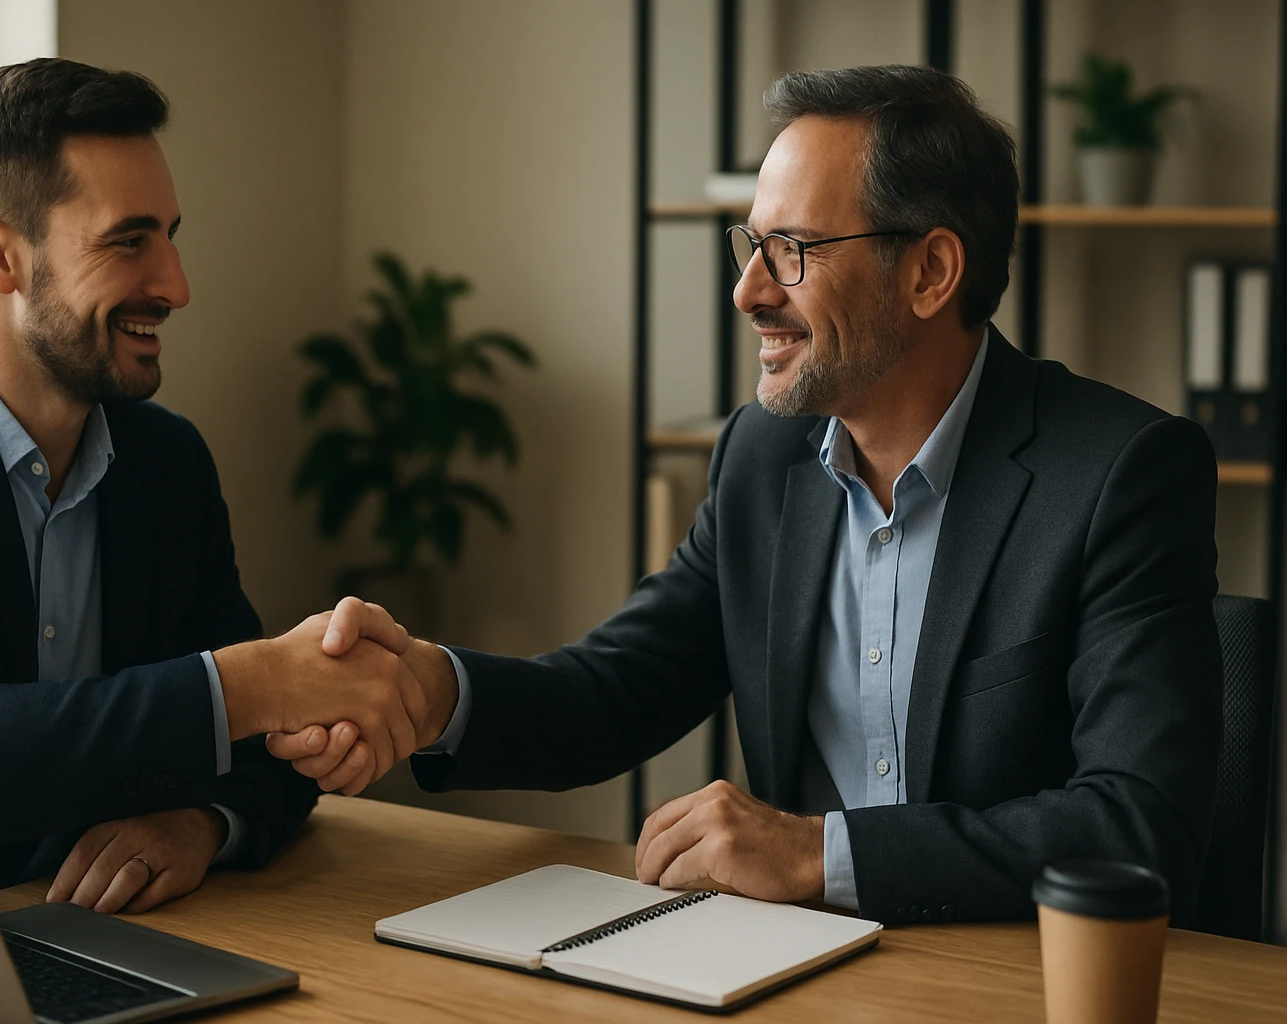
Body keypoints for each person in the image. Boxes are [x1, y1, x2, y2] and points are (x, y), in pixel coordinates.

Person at [270, 64, 1224, 925]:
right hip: (788, 971)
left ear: (932, 271)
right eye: (750, 246)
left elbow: (1138, 824)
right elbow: (618, 690)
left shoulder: (1120, 473)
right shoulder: (763, 457)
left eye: (794, 250)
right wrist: (437, 692)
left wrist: (819, 853)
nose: (749, 293)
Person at [0, 58, 429, 948]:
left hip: (90, 943)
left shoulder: (167, 461)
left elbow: (270, 751)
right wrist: (256, 680)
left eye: (173, 237)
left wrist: (201, 825)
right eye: (128, 241)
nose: (177, 285)